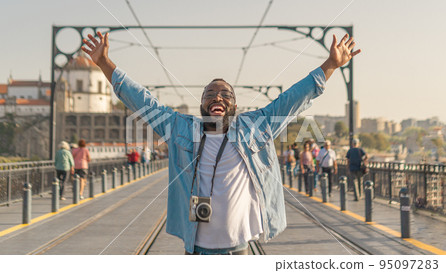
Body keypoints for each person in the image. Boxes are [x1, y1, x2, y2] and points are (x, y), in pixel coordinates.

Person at [82, 31, 360, 254]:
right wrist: (105, 63)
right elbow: (141, 100)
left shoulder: (255, 126)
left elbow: (293, 100)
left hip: (239, 247)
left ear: (235, 105)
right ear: (201, 103)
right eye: (210, 93)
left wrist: (331, 65)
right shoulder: (180, 128)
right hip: (196, 248)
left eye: (225, 93)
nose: (217, 97)